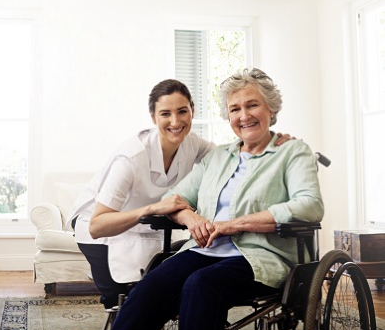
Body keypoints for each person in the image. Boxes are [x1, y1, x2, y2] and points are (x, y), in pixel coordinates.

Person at [109, 67, 324, 330]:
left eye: (252, 105)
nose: (243, 116)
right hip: (203, 249)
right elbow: (173, 198)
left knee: (201, 284)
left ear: (271, 109)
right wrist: (191, 218)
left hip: (261, 257)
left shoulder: (292, 152)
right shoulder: (218, 156)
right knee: (150, 288)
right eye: (234, 109)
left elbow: (310, 205)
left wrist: (235, 224)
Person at [68, 78, 292, 309]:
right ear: (152, 116)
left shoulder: (193, 143)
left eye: (182, 111)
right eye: (165, 113)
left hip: (147, 225)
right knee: (126, 298)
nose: (175, 122)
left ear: (192, 111)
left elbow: (233, 158)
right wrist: (152, 208)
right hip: (101, 227)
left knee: (168, 287)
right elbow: (97, 226)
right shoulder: (130, 159)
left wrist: (273, 144)